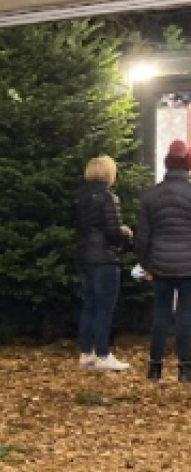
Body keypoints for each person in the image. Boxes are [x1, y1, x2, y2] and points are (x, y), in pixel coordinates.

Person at [136, 137, 191, 382]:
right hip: (189, 265)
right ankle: (185, 368)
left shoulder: (151, 196)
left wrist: (145, 264)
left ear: (166, 164)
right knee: (186, 314)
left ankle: (155, 367)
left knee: (160, 313)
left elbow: (143, 236)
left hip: (159, 263)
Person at [74, 155, 132, 372]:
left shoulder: (79, 197)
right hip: (105, 258)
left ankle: (86, 352)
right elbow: (113, 232)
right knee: (105, 308)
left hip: (85, 256)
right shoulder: (109, 198)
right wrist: (126, 234)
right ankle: (103, 354)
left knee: (88, 305)